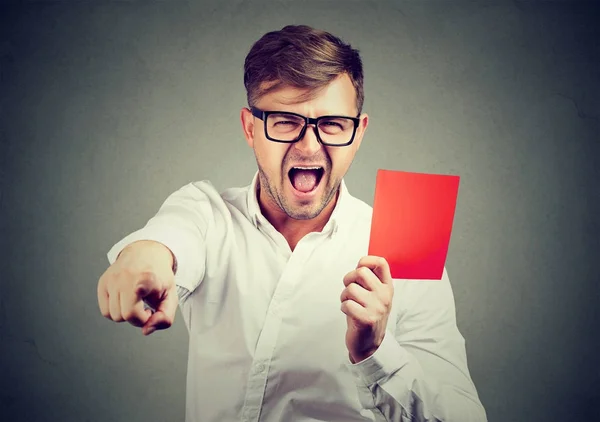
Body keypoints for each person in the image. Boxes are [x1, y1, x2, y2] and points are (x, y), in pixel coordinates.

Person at [97, 25, 487, 422]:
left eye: (333, 123)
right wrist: (143, 257)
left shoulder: (408, 240)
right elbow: (169, 238)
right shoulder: (209, 212)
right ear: (251, 128)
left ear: (359, 132)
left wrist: (375, 352)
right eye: (285, 121)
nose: (309, 145)